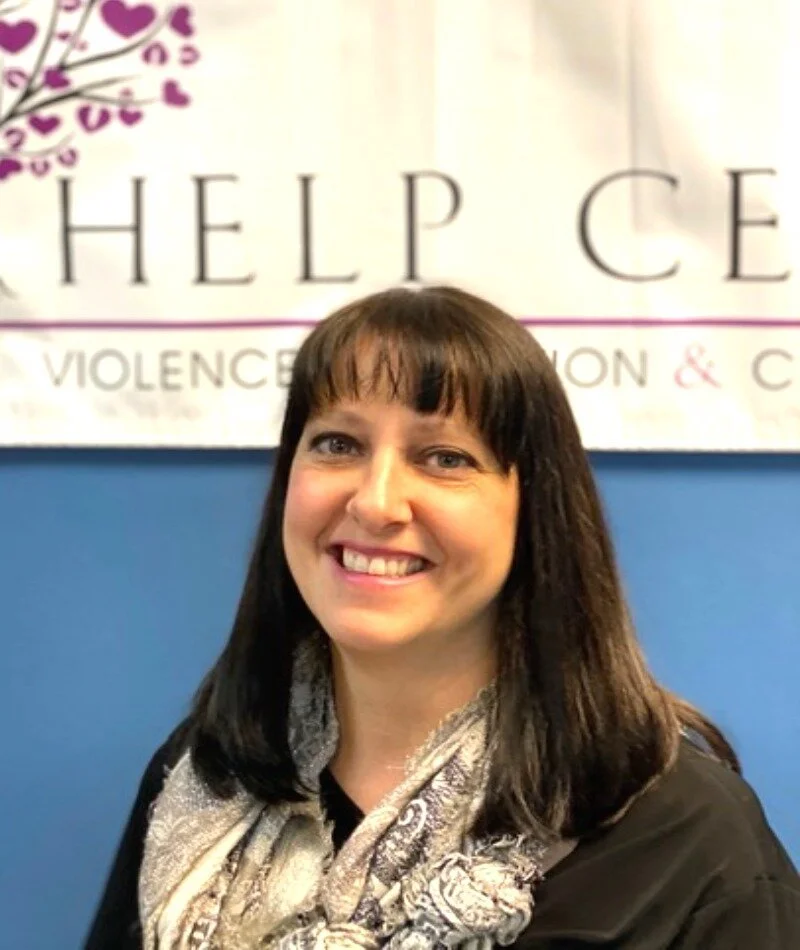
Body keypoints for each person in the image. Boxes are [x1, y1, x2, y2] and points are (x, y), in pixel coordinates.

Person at [85, 285, 799, 949]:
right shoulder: (206, 777)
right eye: (338, 444)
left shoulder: (689, 840)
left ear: (535, 511)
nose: (376, 502)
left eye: (445, 457)